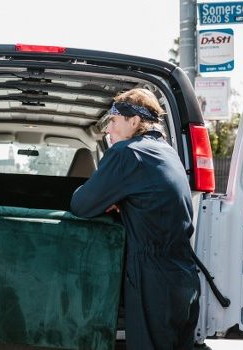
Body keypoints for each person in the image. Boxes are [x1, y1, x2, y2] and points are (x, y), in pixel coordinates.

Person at [70, 88, 200, 350]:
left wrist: (112, 201)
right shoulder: (168, 153)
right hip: (183, 275)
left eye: (114, 122)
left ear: (134, 121)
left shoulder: (127, 153)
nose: (109, 130)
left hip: (152, 279)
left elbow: (81, 205)